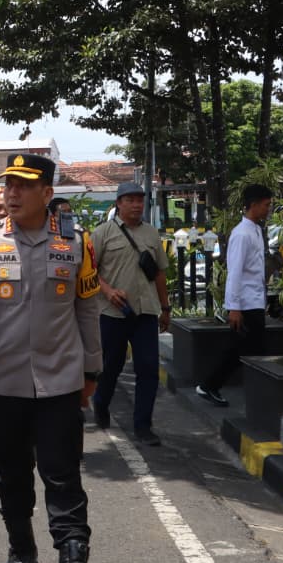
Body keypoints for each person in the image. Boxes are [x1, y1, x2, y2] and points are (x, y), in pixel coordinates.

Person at [0, 153, 105, 563]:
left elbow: (87, 310)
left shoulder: (77, 244)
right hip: (7, 385)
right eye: (7, 186)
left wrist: (92, 371)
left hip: (60, 383)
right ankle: (22, 548)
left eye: (22, 186)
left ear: (47, 193)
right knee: (12, 476)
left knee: (63, 476)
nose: (10, 194)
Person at [91, 182, 172, 444]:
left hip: (145, 312)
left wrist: (165, 307)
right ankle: (101, 406)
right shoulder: (103, 233)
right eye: (131, 200)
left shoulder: (151, 233)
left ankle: (143, 426)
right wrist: (108, 290)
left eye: (140, 200)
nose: (137, 204)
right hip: (113, 313)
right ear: (118, 203)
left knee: (147, 369)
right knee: (110, 368)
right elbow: (89, 272)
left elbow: (159, 272)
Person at [197, 185, 273, 407]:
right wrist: (234, 307)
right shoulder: (241, 234)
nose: (268, 209)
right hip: (246, 303)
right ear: (254, 204)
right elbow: (235, 272)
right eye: (266, 205)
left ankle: (212, 385)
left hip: (255, 301)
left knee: (246, 349)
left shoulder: (256, 230)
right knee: (248, 350)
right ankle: (211, 385)